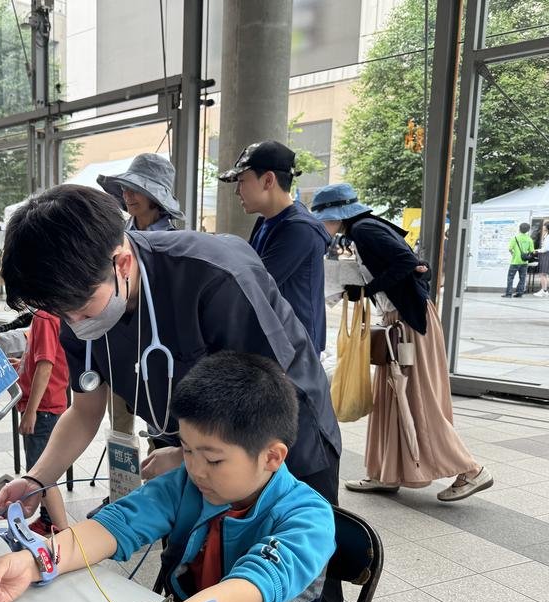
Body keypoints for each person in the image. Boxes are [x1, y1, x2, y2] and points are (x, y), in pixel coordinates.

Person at [0, 184, 344, 602]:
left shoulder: (216, 276)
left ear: (122, 263)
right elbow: (87, 412)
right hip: (200, 453)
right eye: (61, 314)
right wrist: (37, 484)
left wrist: (194, 455)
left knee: (300, 585)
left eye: (81, 308)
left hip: (283, 442)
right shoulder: (79, 302)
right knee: (199, 557)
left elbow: (264, 397)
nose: (74, 323)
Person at [0, 351, 335, 602]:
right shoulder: (187, 485)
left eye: (213, 459)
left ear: (272, 457)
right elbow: (115, 524)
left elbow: (252, 585)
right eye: (186, 449)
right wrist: (35, 561)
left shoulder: (308, 518)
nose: (196, 469)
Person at [311, 182, 493, 501]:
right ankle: (386, 473)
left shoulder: (365, 230)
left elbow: (406, 263)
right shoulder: (367, 227)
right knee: (392, 398)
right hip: (402, 318)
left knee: (415, 398)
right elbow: (416, 266)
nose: (323, 224)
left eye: (324, 217)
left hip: (407, 322)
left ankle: (472, 470)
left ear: (337, 214)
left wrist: (365, 290)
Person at [96, 153, 183, 440]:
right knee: (120, 429)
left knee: (164, 427)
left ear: (155, 196)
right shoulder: (114, 237)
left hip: (162, 346)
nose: (127, 194)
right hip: (119, 343)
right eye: (125, 188)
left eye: (136, 189)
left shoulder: (176, 243)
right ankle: (123, 471)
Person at [219, 141, 328, 354]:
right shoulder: (265, 221)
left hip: (295, 350)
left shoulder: (300, 229)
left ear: (268, 180)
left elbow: (253, 285)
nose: (237, 191)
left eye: (242, 181)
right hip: (275, 341)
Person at [15, 309, 69, 536]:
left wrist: (30, 412)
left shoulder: (44, 317)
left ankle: (54, 526)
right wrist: (23, 364)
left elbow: (45, 366)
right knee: (43, 470)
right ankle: (50, 521)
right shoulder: (55, 312)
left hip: (43, 409)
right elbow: (44, 360)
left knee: (40, 473)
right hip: (50, 404)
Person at [505, 222, 534, 298]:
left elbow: (510, 249)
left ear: (519, 229)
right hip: (524, 262)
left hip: (515, 262)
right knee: (522, 278)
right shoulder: (529, 239)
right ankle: (519, 293)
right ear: (528, 230)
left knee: (510, 278)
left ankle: (509, 293)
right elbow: (531, 251)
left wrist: (513, 254)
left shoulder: (515, 238)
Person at [535, 221, 549, 297]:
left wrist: (537, 250)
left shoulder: (548, 236)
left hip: (546, 255)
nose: (543, 227)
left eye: (544, 225)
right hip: (545, 254)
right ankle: (544, 290)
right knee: (544, 274)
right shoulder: (546, 234)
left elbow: (546, 248)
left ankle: (544, 291)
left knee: (543, 274)